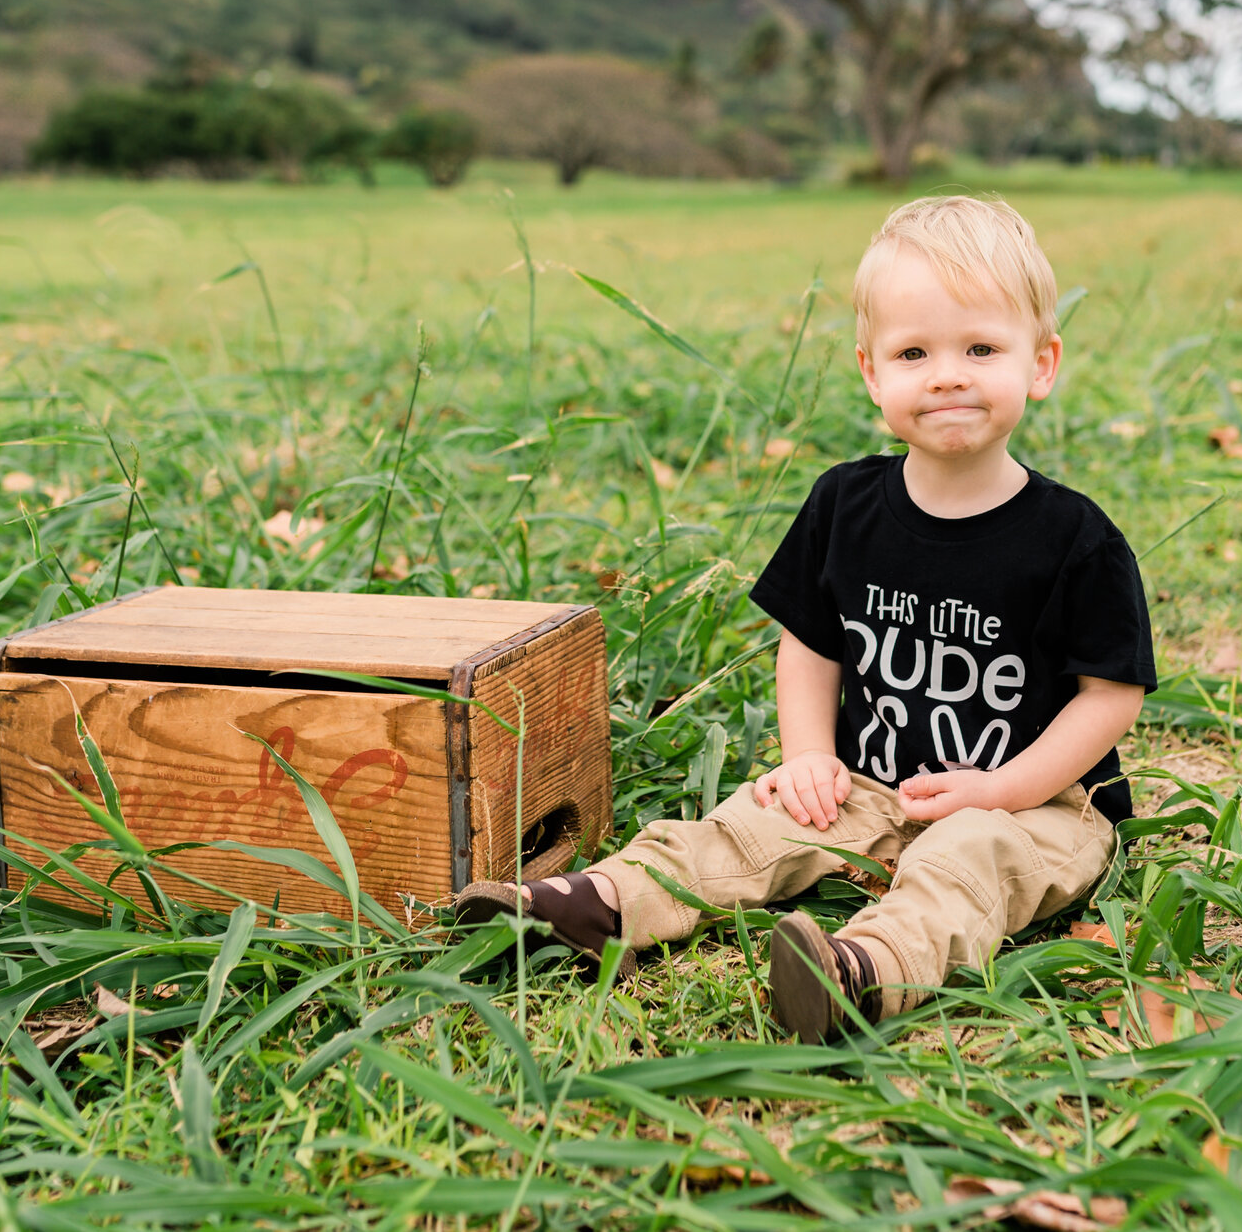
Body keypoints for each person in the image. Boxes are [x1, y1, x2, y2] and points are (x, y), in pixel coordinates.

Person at [453, 194, 1156, 1041]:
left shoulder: (1074, 539)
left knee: (963, 866)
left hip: (1033, 804)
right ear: (871, 371)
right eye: (913, 351)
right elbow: (812, 644)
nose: (947, 373)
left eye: (980, 347)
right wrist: (810, 756)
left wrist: (1004, 790)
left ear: (1041, 364)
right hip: (871, 779)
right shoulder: (845, 505)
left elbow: (1110, 696)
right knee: (752, 822)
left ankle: (862, 973)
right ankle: (602, 903)